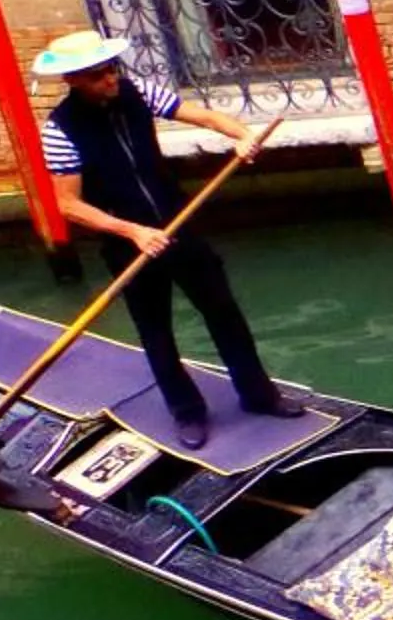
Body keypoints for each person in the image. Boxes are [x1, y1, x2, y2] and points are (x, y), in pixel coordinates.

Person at [35, 30, 302, 452]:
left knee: (224, 312)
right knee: (156, 332)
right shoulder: (59, 130)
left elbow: (206, 117)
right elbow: (68, 205)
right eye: (97, 75)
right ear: (73, 80)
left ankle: (260, 396)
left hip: (180, 225)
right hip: (128, 243)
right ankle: (187, 412)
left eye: (110, 70)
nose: (110, 80)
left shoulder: (137, 91)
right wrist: (133, 232)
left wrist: (241, 135)